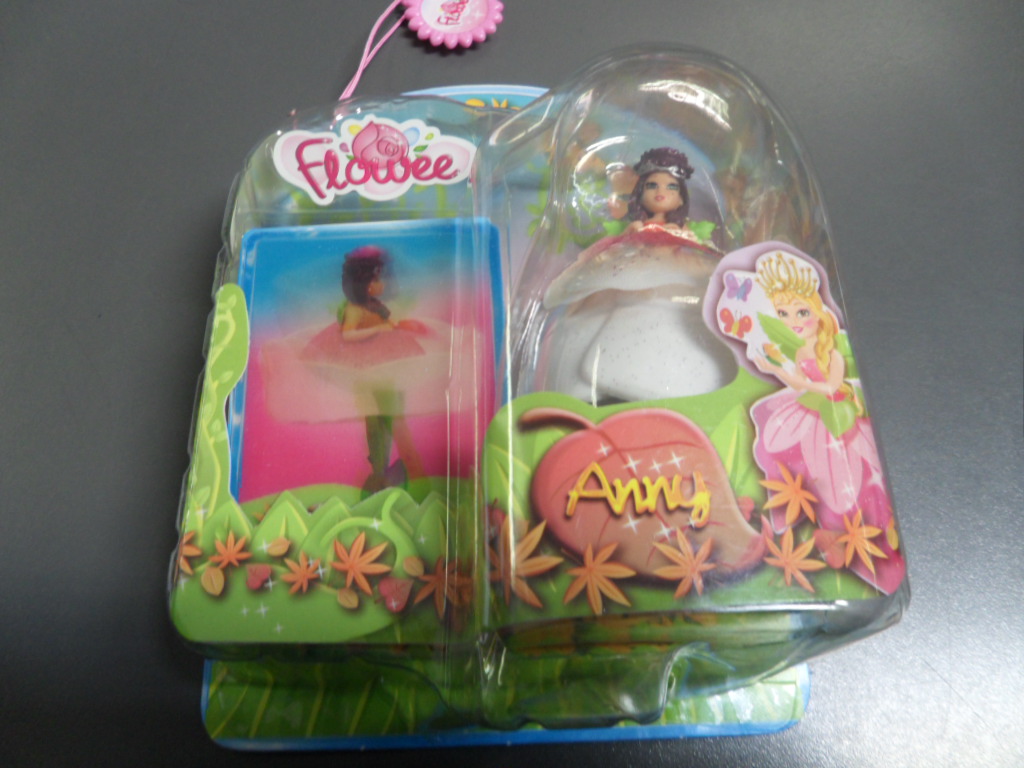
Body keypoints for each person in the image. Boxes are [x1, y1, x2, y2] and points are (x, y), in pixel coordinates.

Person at [750, 251, 904, 594]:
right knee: (772, 440)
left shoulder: (831, 352)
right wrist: (772, 368)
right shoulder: (800, 351)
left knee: (843, 473)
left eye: (801, 312)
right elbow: (795, 381)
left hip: (834, 412)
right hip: (807, 408)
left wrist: (801, 383)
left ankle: (859, 537)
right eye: (783, 314)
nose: (793, 321)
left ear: (817, 313)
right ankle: (794, 516)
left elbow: (831, 387)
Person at [538, 147, 735, 404]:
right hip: (634, 273)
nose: (661, 192)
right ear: (640, 192)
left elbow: (701, 255)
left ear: (680, 198)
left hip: (676, 277)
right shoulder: (636, 228)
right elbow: (618, 250)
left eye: (671, 187)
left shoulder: (685, 233)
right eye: (652, 186)